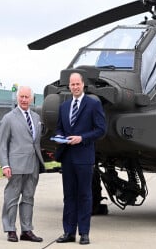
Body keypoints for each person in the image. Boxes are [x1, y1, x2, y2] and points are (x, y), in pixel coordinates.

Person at [55, 72, 106, 245]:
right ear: (69, 86)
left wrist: (82, 138)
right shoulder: (64, 106)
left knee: (84, 195)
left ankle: (84, 233)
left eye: (78, 84)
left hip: (84, 157)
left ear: (83, 85)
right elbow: (59, 128)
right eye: (72, 84)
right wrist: (59, 136)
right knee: (68, 196)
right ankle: (69, 232)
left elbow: (101, 130)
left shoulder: (93, 104)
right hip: (67, 157)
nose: (75, 87)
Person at [0, 86, 45, 243]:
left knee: (28, 198)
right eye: (21, 97)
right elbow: (2, 145)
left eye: (27, 97)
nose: (24, 100)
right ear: (17, 98)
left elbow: (35, 142)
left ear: (32, 99)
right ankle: (10, 229)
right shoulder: (9, 118)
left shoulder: (37, 118)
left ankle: (27, 230)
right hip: (16, 165)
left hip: (33, 165)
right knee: (11, 198)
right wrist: (5, 165)